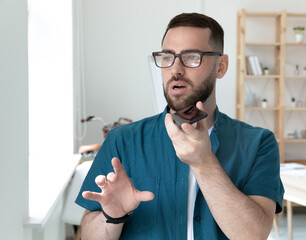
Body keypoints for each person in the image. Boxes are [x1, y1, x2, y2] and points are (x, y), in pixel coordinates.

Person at [75, 12, 284, 240]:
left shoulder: (258, 143)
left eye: (191, 57)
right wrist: (112, 217)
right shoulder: (122, 141)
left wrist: (204, 162)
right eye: (167, 57)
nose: (175, 70)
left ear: (221, 66)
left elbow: (254, 235)